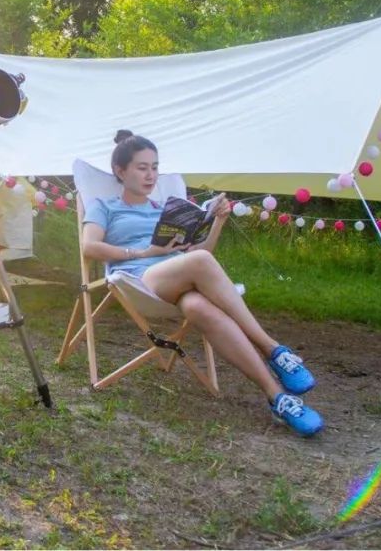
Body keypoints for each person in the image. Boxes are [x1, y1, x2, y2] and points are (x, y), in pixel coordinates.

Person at [81, 129, 324, 437]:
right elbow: (89, 247)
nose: (150, 175)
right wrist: (145, 251)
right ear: (120, 170)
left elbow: (199, 255)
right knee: (198, 265)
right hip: (137, 279)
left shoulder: (165, 210)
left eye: (155, 167)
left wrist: (217, 221)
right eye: (142, 168)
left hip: (179, 278)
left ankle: (277, 397)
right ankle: (272, 348)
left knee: (199, 307)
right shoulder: (104, 206)